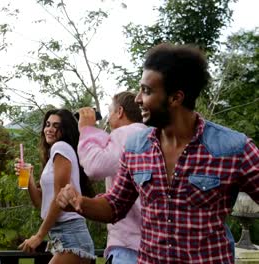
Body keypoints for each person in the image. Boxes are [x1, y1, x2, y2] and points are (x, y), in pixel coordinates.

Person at [56, 43, 259, 263]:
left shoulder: (233, 148)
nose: (137, 99)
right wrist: (79, 203)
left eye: (147, 91)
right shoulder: (135, 148)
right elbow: (114, 206)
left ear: (175, 98)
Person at [17, 109, 96, 263]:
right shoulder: (54, 155)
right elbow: (41, 204)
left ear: (65, 130)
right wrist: (29, 179)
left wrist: (39, 236)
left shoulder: (61, 147)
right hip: (62, 236)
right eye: (47, 125)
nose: (49, 129)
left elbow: (60, 198)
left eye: (56, 126)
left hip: (71, 234)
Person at [77, 91, 146, 263]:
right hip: (151, 242)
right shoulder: (147, 134)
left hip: (130, 246)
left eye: (110, 111)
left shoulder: (127, 133)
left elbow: (95, 166)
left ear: (120, 112)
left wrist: (87, 130)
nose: (108, 118)